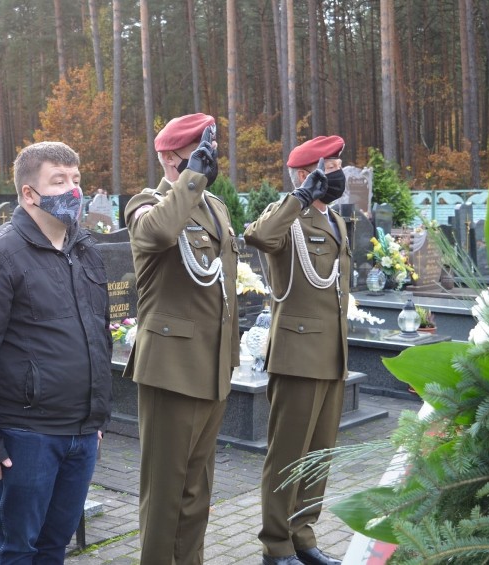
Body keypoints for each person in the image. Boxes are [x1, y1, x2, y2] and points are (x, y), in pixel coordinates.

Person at [0, 141, 112, 563]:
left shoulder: (85, 249)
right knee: (16, 545)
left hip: (81, 431)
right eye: (58, 181)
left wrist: (95, 415)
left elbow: (98, 335)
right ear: (29, 194)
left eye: (76, 179)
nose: (73, 190)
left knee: (54, 543)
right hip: (27, 434)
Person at [123, 113, 239, 565]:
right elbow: (157, 234)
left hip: (212, 367)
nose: (210, 159)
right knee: (165, 492)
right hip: (171, 370)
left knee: (197, 490)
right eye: (199, 150)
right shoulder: (144, 203)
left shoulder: (217, 208)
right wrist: (189, 179)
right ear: (171, 157)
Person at [243, 135, 350, 565]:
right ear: (308, 174)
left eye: (341, 165)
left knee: (318, 455)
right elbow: (258, 236)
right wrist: (299, 197)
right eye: (333, 166)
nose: (340, 173)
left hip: (331, 355)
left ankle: (303, 536)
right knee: (288, 454)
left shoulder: (336, 222)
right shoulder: (286, 217)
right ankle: (276, 545)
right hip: (297, 354)